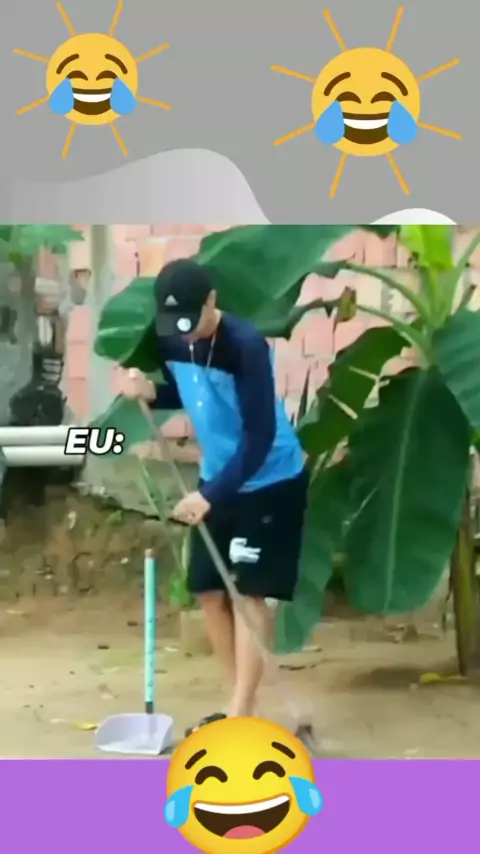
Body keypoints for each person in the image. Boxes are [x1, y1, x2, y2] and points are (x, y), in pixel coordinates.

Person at [119, 258, 308, 733]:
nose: (184, 333)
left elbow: (260, 436)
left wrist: (212, 496)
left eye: (191, 319)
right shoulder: (171, 335)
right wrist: (148, 390)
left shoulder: (244, 346)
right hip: (218, 476)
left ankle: (239, 716)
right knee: (207, 589)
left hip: (268, 480)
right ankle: (237, 704)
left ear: (211, 302)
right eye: (174, 323)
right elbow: (186, 390)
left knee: (250, 593)